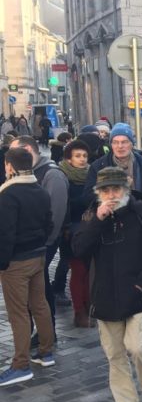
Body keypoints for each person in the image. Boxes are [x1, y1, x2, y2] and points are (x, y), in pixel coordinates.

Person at [72, 167, 142, 402]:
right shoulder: (93, 215)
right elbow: (79, 249)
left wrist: (141, 284)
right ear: (99, 193)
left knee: (137, 347)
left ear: (126, 189)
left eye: (116, 189)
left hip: (136, 292)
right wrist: (97, 221)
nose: (111, 195)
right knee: (114, 353)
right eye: (106, 190)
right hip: (104, 294)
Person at [83, 123, 142, 352]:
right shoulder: (99, 166)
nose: (120, 146)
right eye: (116, 142)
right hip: (111, 226)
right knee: (117, 277)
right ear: (110, 144)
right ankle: (120, 323)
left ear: (131, 143)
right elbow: (88, 195)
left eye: (124, 142)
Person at [0, 147, 55, 387]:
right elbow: (49, 223)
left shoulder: (8, 195)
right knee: (39, 304)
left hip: (16, 261)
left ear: (9, 166)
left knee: (19, 313)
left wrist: (2, 263)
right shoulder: (40, 189)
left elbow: (5, 234)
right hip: (38, 255)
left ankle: (20, 365)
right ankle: (45, 352)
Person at [10, 136, 69, 330]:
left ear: (27, 149)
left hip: (43, 244)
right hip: (31, 245)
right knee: (35, 292)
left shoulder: (52, 174)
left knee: (41, 293)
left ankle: (47, 333)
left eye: (13, 152)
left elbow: (56, 211)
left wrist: (47, 243)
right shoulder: (27, 173)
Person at [59, 140, 93, 327]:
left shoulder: (91, 175)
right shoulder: (63, 176)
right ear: (69, 159)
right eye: (78, 156)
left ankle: (88, 306)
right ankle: (79, 311)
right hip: (71, 231)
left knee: (89, 271)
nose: (82, 160)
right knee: (78, 271)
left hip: (90, 229)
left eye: (85, 156)